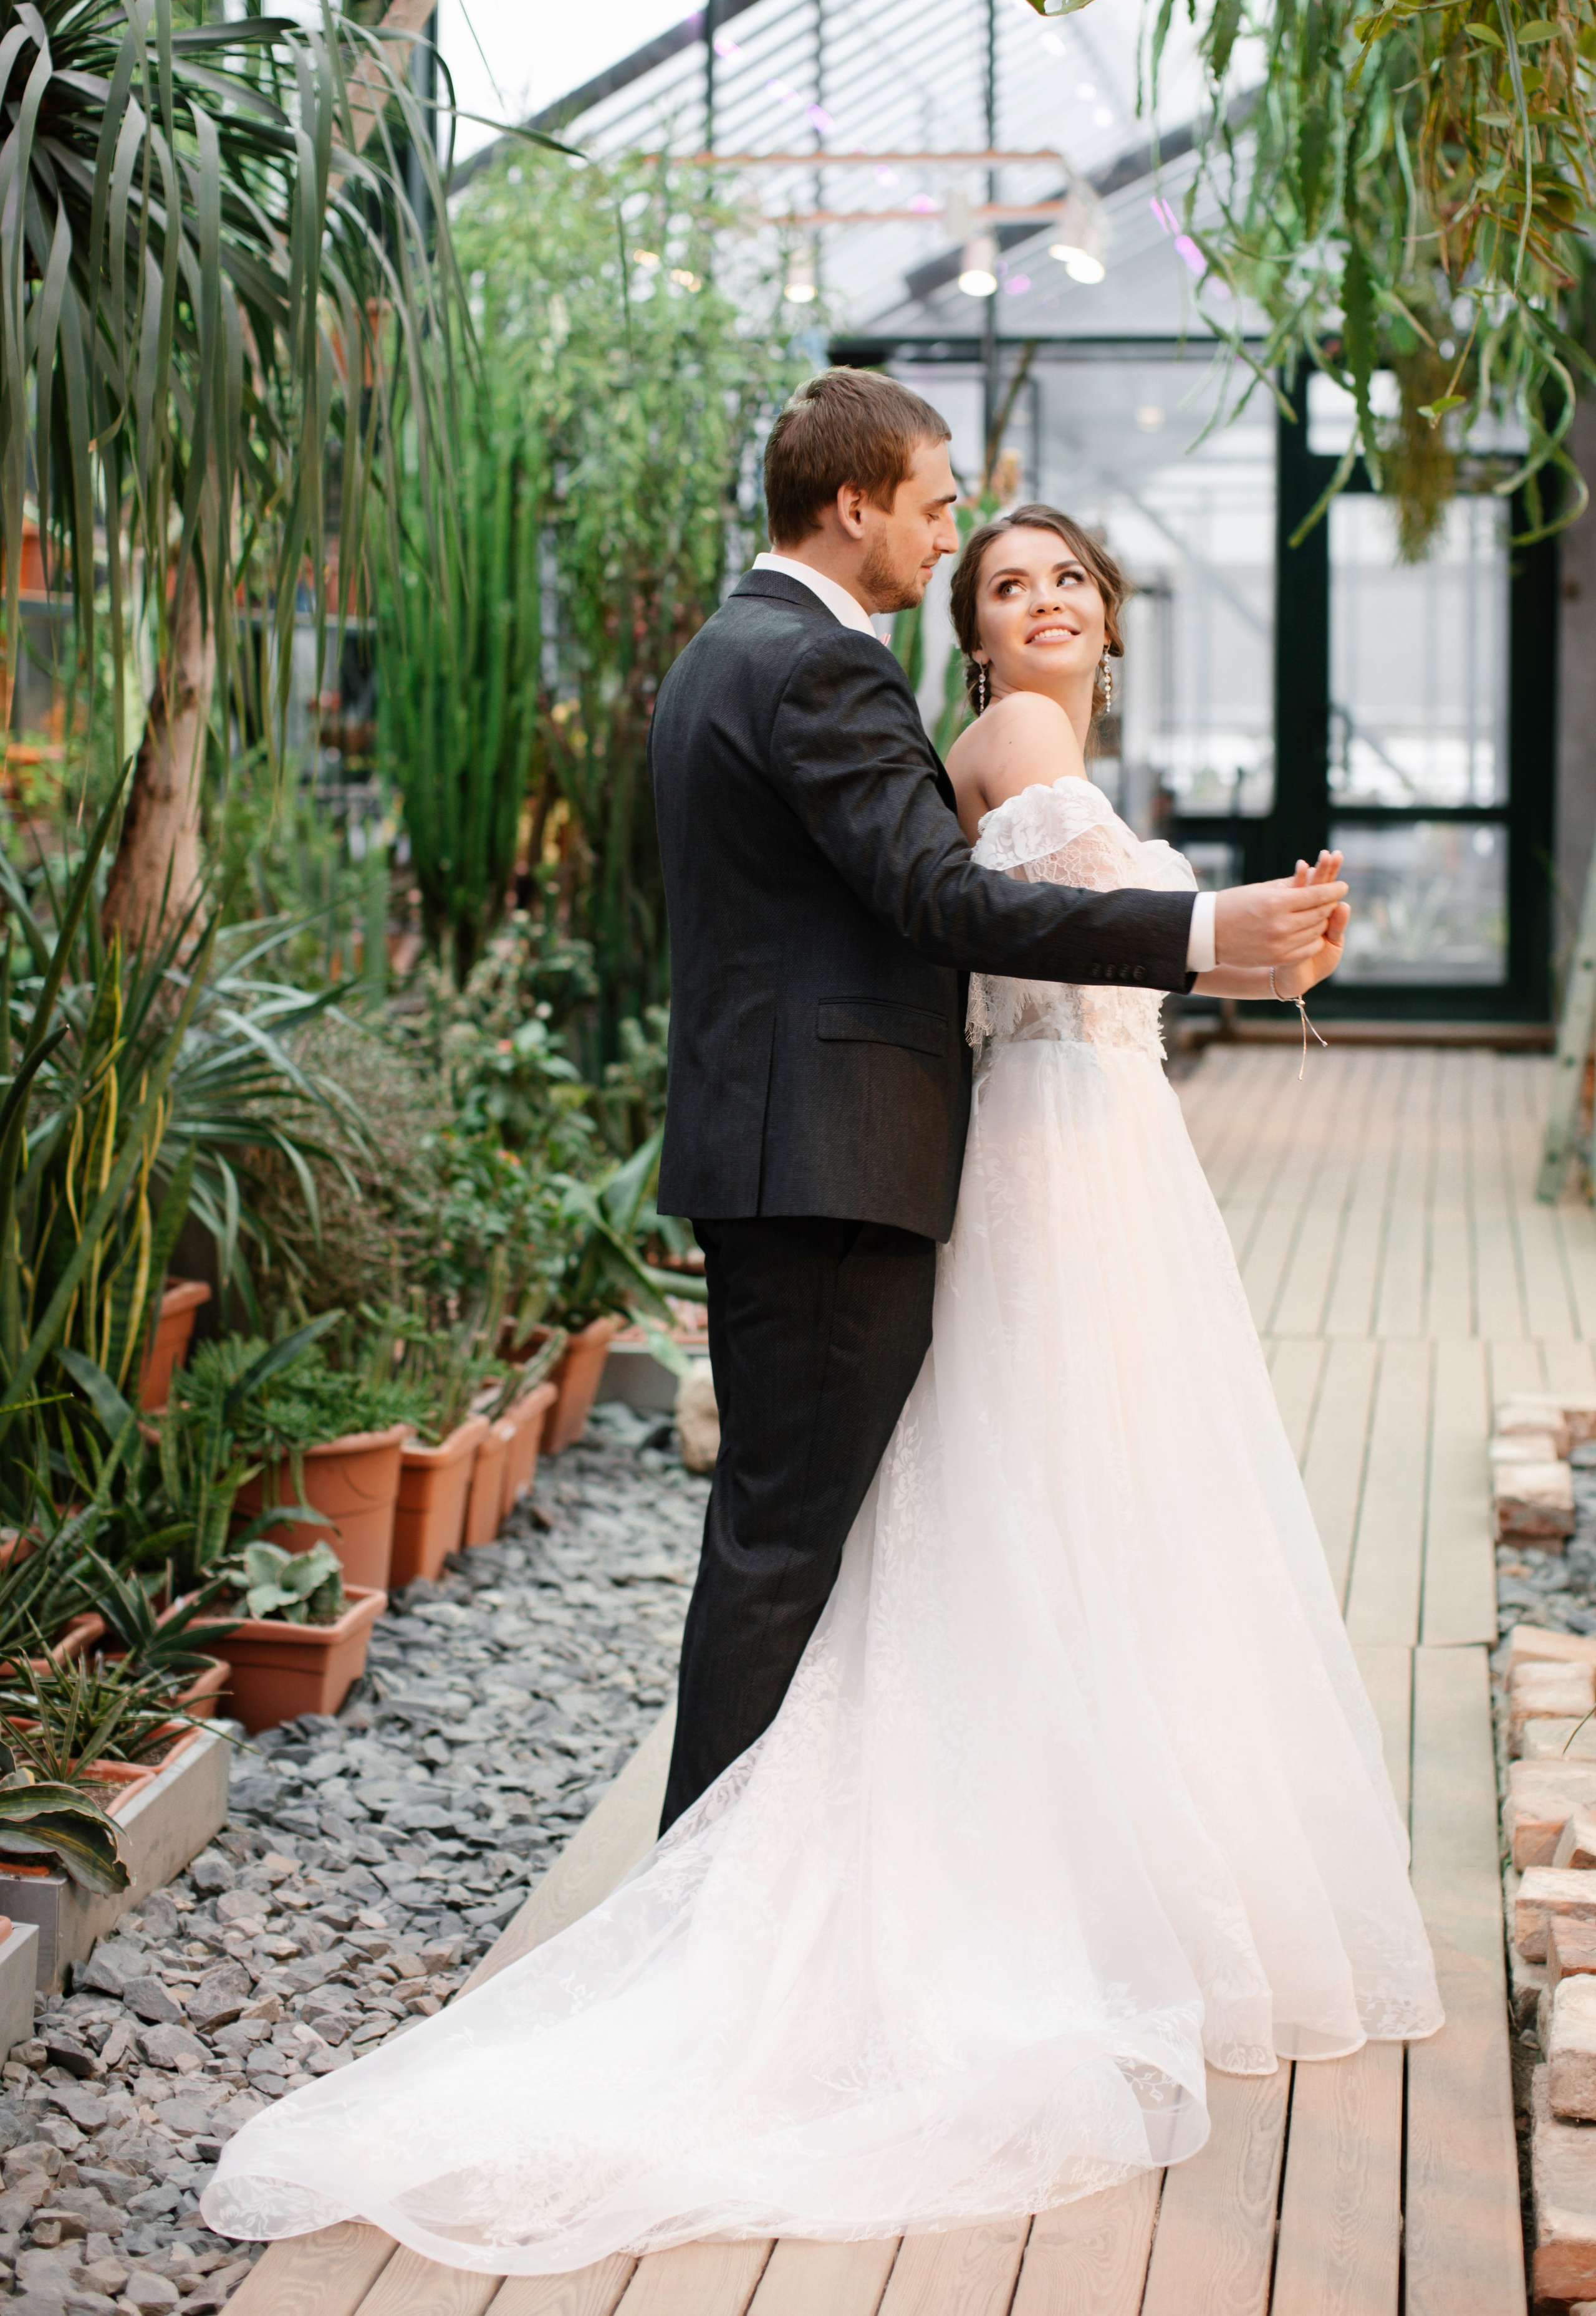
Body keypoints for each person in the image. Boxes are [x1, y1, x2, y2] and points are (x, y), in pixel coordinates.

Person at [201, 464, 1440, 2279]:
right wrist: (1204, 928)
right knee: (908, 1527)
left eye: (1056, 569)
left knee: (1023, 1514)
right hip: (973, 1159)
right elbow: (961, 918)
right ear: (876, 519)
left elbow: (993, 935)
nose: (1009, 577)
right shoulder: (937, 706)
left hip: (1037, 1153)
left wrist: (1225, 943)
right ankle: (725, 1917)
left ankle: (891, 1881)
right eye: (973, 542)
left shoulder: (855, 684)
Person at [644, 370, 1346, 1829]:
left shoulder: (737, 648)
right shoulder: (818, 665)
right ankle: (701, 1900)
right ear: (855, 507)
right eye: (940, 504)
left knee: (794, 1537)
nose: (950, 526)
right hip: (826, 1161)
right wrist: (1207, 934)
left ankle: (748, 1866)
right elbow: (935, 897)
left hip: (800, 1150)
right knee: (785, 1549)